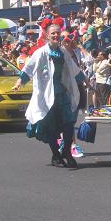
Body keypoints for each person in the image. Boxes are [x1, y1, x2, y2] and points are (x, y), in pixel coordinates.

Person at [12, 24, 85, 168]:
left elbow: (74, 70)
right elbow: (29, 69)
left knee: (69, 123)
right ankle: (56, 156)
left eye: (58, 33)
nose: (56, 36)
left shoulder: (63, 52)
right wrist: (19, 81)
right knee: (51, 126)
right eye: (53, 33)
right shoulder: (40, 53)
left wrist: (86, 80)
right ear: (47, 35)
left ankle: (66, 152)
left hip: (62, 94)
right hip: (46, 96)